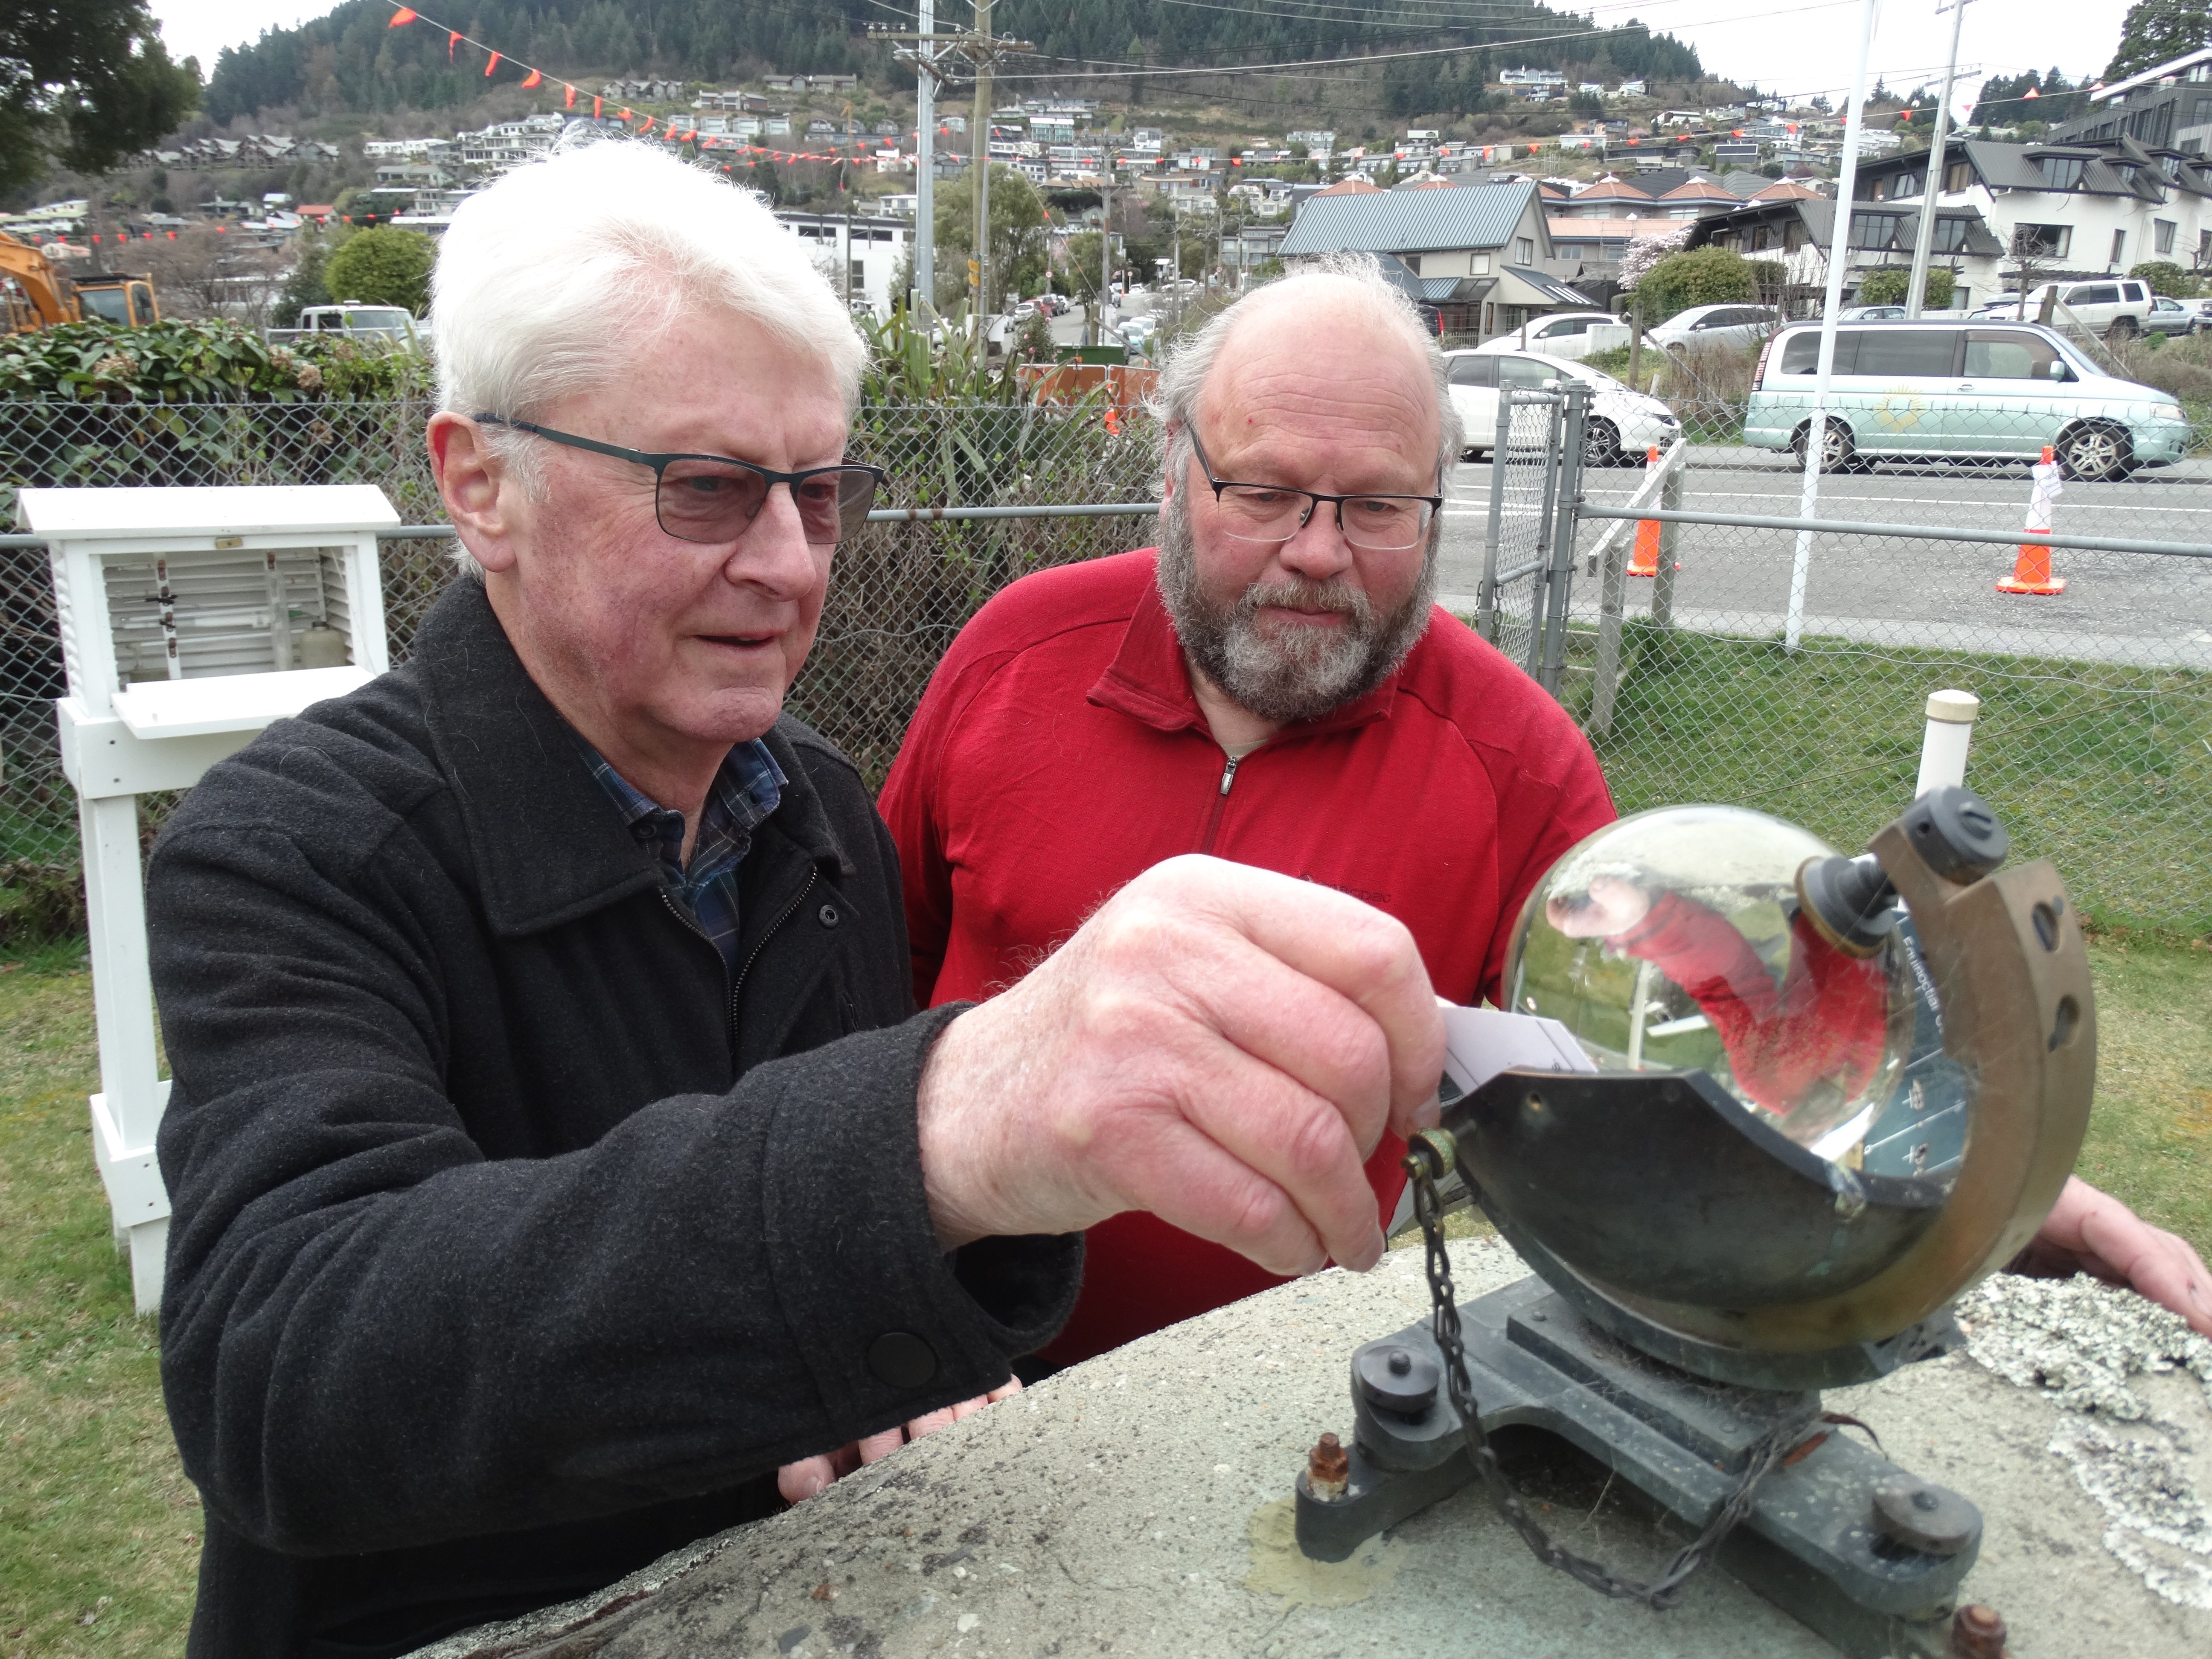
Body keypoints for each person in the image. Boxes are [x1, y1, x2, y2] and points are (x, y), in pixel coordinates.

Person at [146, 146, 1446, 1659]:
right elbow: (284, 1369)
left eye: (817, 493)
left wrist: (896, 1346)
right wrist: (942, 1126)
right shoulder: (289, 847)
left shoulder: (813, 806)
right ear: (478, 483)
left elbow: (818, 1265)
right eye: (703, 491)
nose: (784, 562)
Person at [877, 262, 2212, 1374]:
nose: (1320, 549)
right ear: (1176, 470)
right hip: (932, 1367)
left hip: (1250, 1416)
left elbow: (1676, 1074)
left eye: (1380, 506)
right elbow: (856, 995)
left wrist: (2004, 1200)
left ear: (1438, 504)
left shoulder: (1517, 765)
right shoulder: (1012, 656)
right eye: (1267, 491)